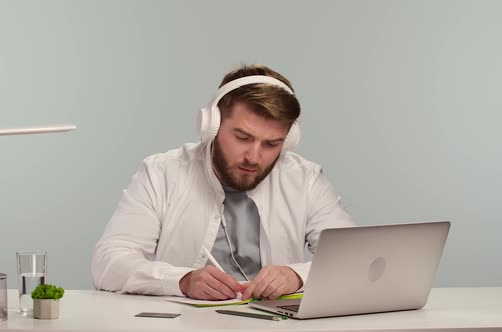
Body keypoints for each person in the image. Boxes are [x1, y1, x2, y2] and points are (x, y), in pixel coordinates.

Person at [91, 64, 356, 301]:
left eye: (271, 144)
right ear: (212, 126)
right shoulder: (162, 173)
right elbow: (108, 262)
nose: (253, 157)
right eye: (242, 137)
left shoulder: (306, 179)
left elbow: (354, 261)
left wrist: (296, 276)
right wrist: (181, 281)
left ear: (288, 140)